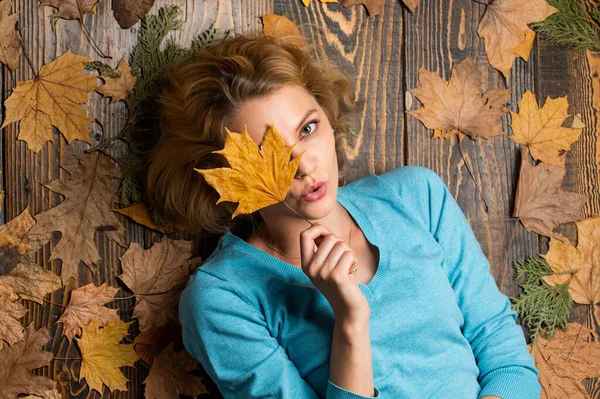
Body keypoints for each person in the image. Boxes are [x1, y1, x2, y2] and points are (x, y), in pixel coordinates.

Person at [146, 34, 541, 399]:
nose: (304, 166)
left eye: (308, 128)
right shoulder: (222, 298)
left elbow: (506, 359)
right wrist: (350, 321)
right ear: (229, 178)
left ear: (329, 120)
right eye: (268, 155)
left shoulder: (416, 197)